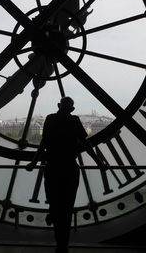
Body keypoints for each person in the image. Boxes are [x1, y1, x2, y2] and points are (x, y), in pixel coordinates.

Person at [26, 97, 106, 253]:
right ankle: (63, 243)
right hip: (69, 167)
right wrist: (99, 163)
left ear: (58, 106)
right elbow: (86, 144)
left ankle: (57, 229)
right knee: (67, 206)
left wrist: (34, 162)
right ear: (72, 109)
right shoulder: (75, 121)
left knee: (55, 203)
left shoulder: (50, 119)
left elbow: (44, 144)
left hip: (53, 167)